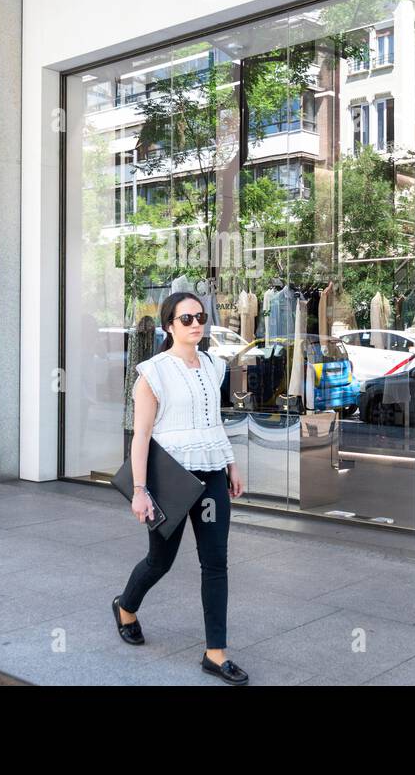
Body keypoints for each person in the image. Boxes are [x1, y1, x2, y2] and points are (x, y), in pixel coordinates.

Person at [112, 291, 249, 685]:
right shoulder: (152, 373)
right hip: (170, 480)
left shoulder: (211, 365)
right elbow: (141, 437)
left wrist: (230, 463)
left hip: (210, 476)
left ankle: (216, 653)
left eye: (200, 317)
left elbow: (213, 421)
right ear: (169, 325)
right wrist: (140, 491)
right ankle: (126, 606)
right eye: (186, 318)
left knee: (216, 562)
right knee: (160, 561)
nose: (195, 324)